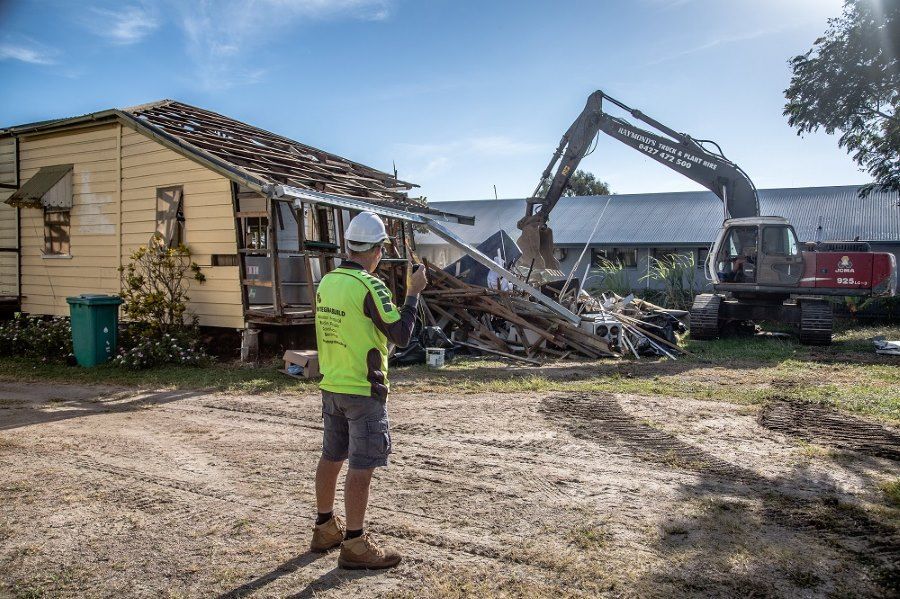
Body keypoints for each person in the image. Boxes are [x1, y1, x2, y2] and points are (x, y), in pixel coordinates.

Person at [310, 211, 427, 570]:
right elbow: (402, 335)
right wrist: (413, 293)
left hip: (333, 385)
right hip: (363, 390)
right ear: (376, 249)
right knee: (361, 467)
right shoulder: (370, 286)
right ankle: (356, 544)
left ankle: (324, 527)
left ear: (349, 245)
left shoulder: (327, 281)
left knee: (332, 458)